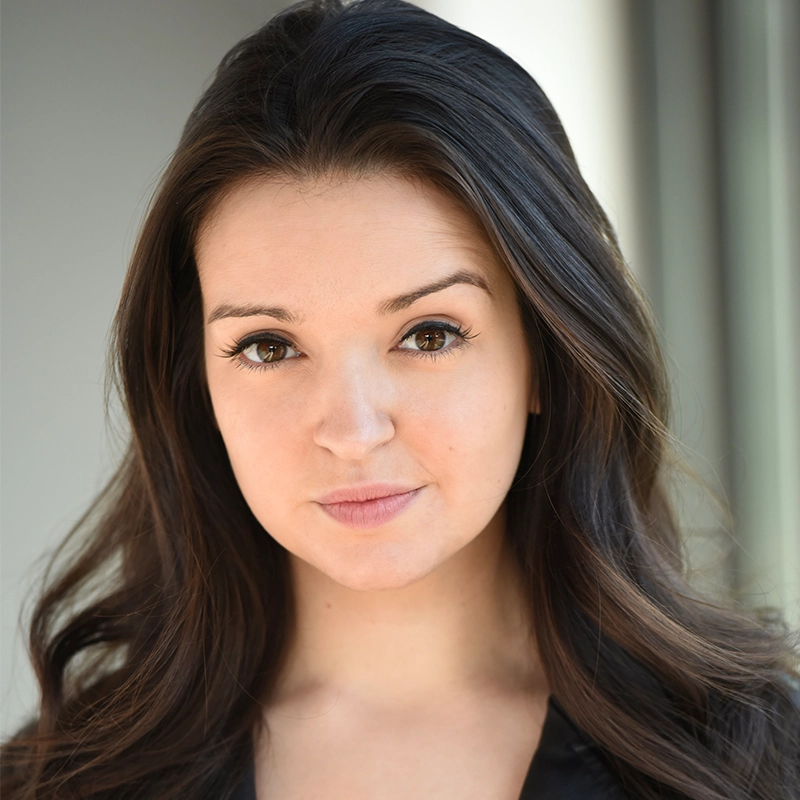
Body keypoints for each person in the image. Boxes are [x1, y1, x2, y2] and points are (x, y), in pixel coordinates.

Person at [2, 0, 799, 798]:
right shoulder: (61, 781)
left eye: (428, 335)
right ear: (197, 385)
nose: (352, 431)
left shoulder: (756, 766)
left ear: (546, 357)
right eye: (269, 347)